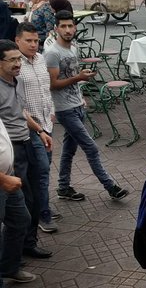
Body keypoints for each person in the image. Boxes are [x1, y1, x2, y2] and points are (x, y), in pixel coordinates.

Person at [44, 11, 129, 202]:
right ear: (56, 29)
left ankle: (63, 187)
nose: (67, 30)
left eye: (70, 26)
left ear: (75, 27)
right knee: (91, 148)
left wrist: (80, 91)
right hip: (64, 109)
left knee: (68, 150)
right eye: (63, 26)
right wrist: (79, 77)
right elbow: (52, 84)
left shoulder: (73, 48)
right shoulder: (52, 53)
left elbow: (72, 78)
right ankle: (111, 187)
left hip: (77, 105)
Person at [0, 39, 55, 260]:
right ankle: (12, 257)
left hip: (27, 141)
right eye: (12, 60)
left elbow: (21, 112)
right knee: (19, 203)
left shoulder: (17, 81)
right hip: (11, 150)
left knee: (31, 198)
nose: (17, 64)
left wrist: (40, 131)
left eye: (18, 59)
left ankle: (27, 245)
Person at [15, 23, 60, 234]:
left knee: (41, 171)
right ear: (18, 41)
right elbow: (14, 102)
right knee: (41, 170)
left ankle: (38, 207)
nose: (34, 45)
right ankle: (43, 214)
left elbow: (45, 88)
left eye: (36, 41)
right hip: (29, 128)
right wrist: (37, 127)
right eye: (29, 41)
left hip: (46, 123)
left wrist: (50, 111)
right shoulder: (15, 65)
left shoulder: (41, 59)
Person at [0, 117, 37, 288]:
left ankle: (8, 267)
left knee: (20, 220)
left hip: (8, 175)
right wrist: (2, 179)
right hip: (3, 180)